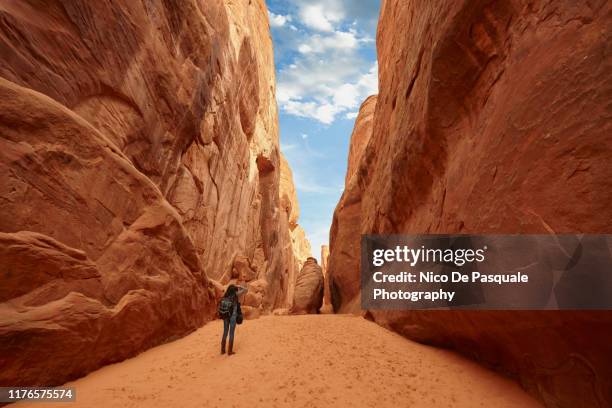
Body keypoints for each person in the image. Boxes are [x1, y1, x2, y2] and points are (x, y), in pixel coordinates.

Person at [220, 284, 247, 355]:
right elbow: (245, 290)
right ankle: (230, 351)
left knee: (225, 332)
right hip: (233, 316)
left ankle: (222, 350)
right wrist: (239, 286)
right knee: (231, 333)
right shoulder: (236, 295)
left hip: (225, 315)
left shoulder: (225, 295)